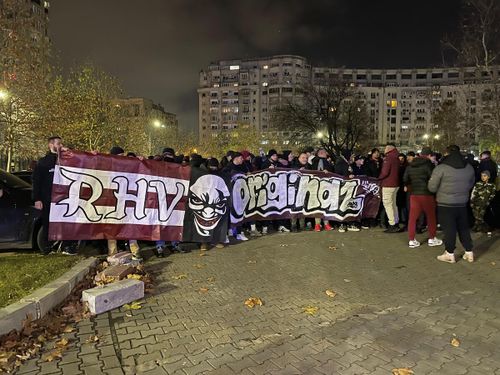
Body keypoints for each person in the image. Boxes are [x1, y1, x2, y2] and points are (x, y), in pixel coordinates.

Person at [428, 145, 476, 263]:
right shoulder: (469, 167)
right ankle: (469, 252)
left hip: (445, 203)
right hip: (462, 203)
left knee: (449, 229)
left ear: (447, 153)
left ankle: (449, 253)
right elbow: (471, 183)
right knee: (463, 228)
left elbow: (432, 187)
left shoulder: (441, 168)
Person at [32, 136, 78, 255]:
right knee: (48, 222)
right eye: (58, 144)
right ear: (51, 145)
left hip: (64, 198)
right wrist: (37, 199)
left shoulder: (66, 159)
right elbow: (36, 181)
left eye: (61, 144)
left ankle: (67, 246)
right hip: (48, 199)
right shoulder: (43, 162)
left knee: (67, 221)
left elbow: (80, 160)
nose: (60, 146)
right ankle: (48, 247)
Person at [403, 147, 442, 248]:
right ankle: (432, 238)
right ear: (429, 155)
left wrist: (410, 186)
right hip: (427, 194)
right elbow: (433, 179)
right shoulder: (429, 165)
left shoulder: (411, 165)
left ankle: (411, 240)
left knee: (412, 218)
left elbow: (405, 179)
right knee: (431, 217)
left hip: (414, 195)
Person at [378, 143, 402, 233]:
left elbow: (385, 172)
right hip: (395, 184)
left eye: (385, 148)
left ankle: (392, 224)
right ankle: (396, 222)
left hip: (388, 184)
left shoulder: (388, 158)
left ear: (389, 149)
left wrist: (379, 178)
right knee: (393, 204)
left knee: (388, 204)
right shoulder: (396, 158)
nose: (384, 149)